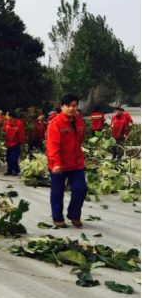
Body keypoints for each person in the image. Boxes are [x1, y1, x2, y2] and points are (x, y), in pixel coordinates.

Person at [46, 94, 89, 229]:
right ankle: (58, 218)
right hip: (59, 165)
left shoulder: (80, 121)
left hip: (76, 163)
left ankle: (74, 215)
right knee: (57, 191)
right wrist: (56, 163)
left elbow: (79, 140)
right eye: (68, 106)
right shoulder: (55, 124)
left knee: (81, 189)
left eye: (74, 106)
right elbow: (52, 146)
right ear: (62, 106)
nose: (71, 108)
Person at [3, 112, 26, 176]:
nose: (6, 117)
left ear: (11, 117)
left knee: (13, 158)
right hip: (8, 143)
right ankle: (9, 170)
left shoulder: (19, 123)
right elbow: (3, 130)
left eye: (7, 116)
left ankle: (16, 170)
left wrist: (20, 142)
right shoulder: (7, 122)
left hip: (15, 144)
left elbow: (21, 133)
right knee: (8, 158)